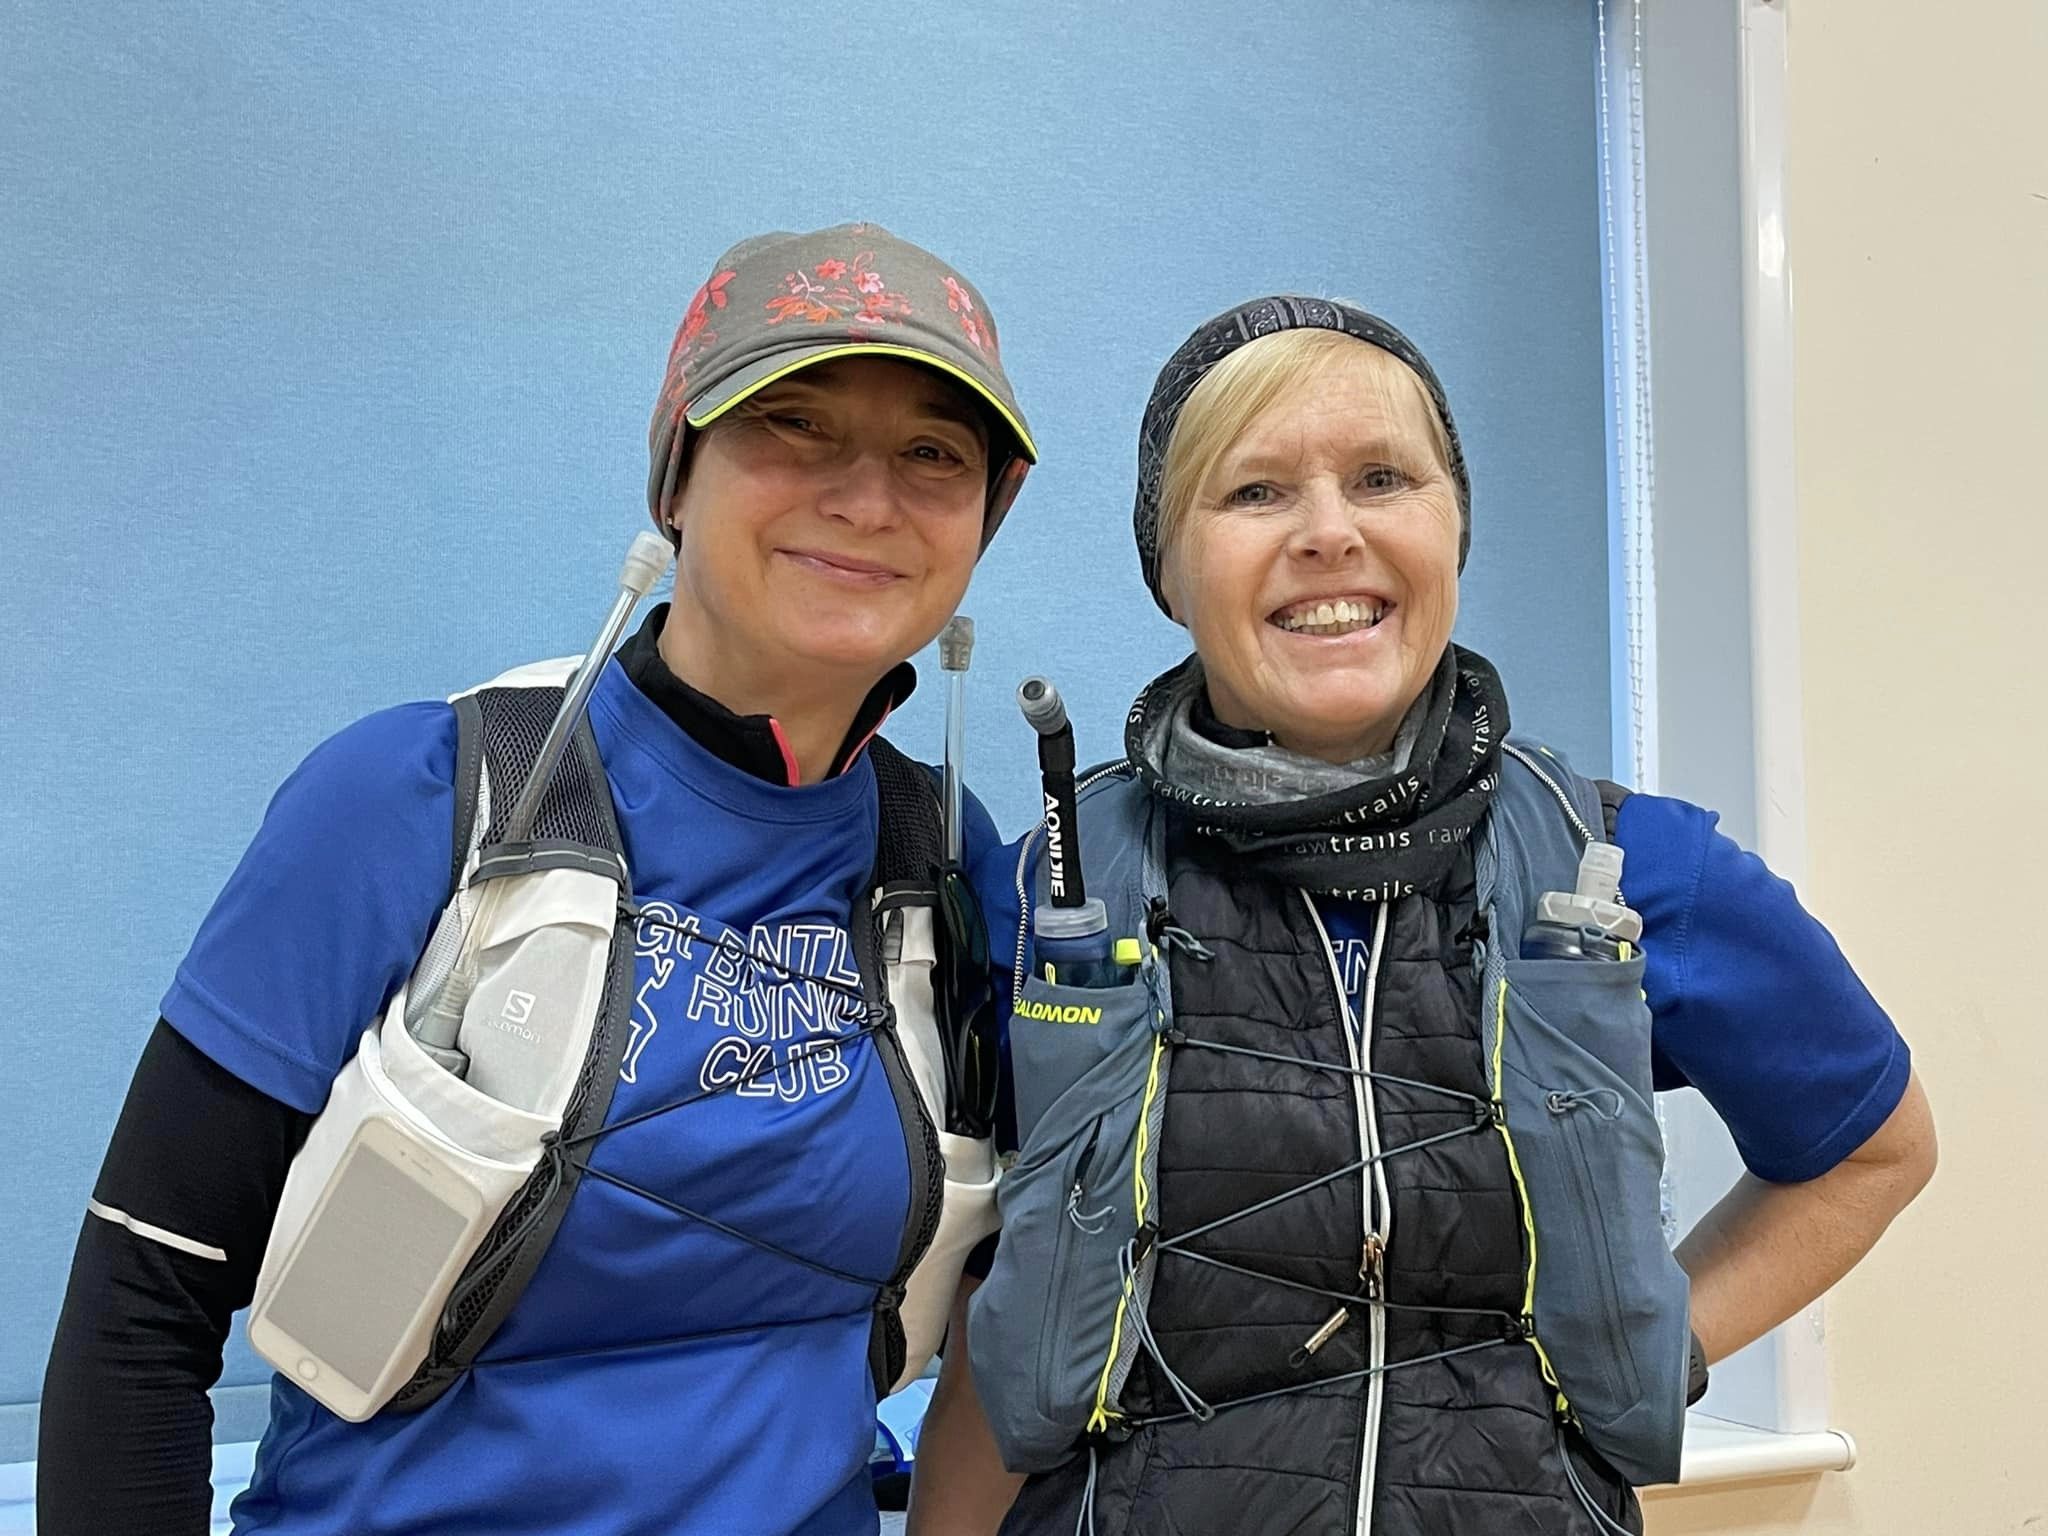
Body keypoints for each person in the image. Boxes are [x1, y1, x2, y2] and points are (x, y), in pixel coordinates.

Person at [38, 222, 1037, 1536]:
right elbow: (139, 1312)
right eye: (792, 423)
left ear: (984, 518)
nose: (866, 499)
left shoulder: (945, 862)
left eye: (934, 454)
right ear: (674, 472)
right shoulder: (419, 800)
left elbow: (1020, 1315)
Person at [909, 297, 1936, 1535]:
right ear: (1166, 568)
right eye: (1254, 492)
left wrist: (1644, 1350)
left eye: (1382, 478)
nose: (1328, 532)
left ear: (1452, 527)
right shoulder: (1042, 896)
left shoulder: (1631, 869)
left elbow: (1872, 1149)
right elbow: (994, 1302)